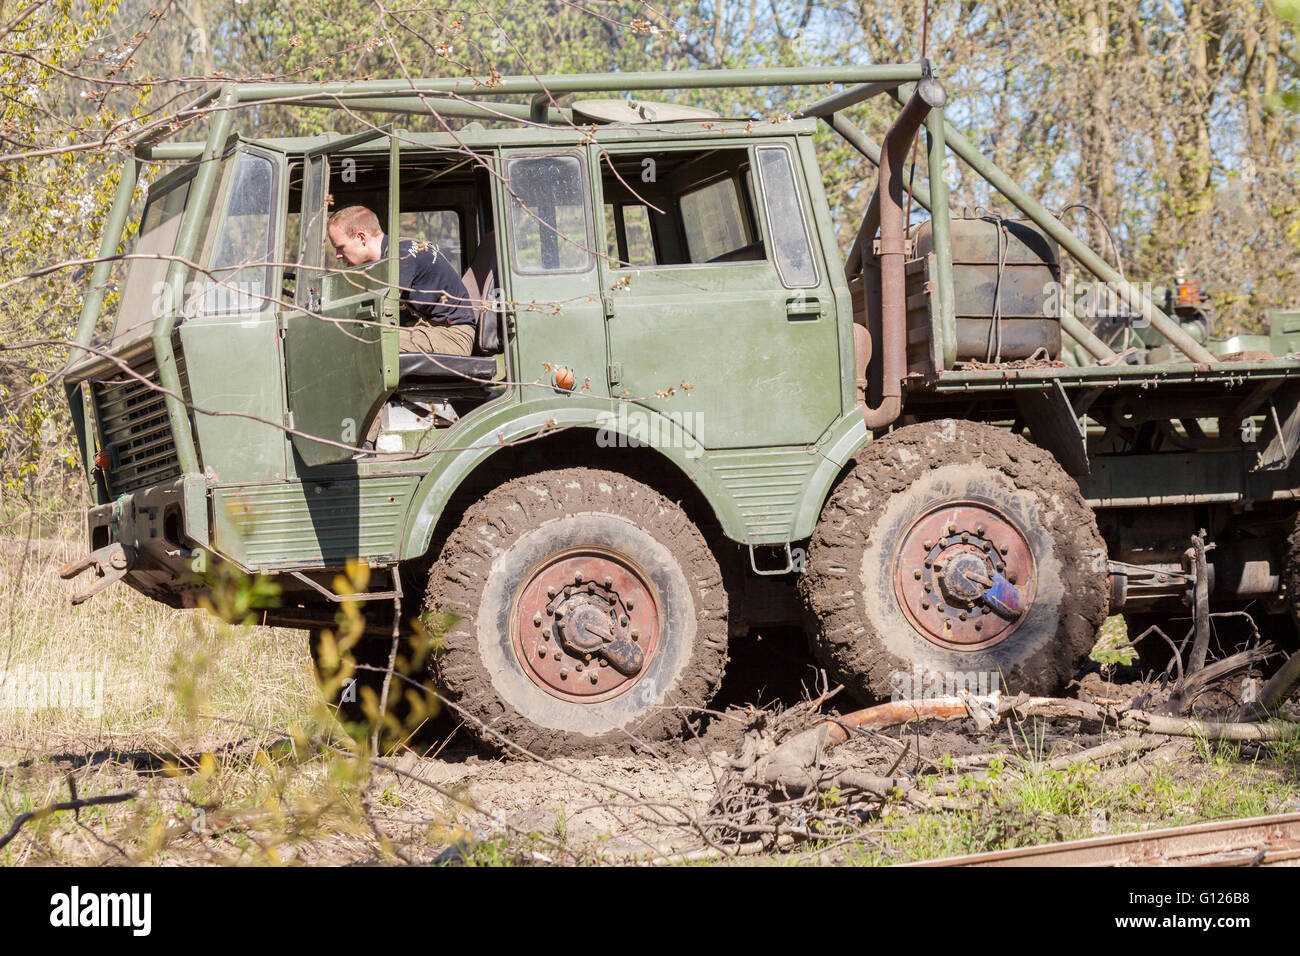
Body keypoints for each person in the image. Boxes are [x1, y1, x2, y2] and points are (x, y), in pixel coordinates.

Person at [326, 204, 476, 356]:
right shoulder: (391, 255)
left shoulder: (401, 256)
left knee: (363, 341)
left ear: (361, 237)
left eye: (340, 247)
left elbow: (384, 309)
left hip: (452, 336)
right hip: (428, 329)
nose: (338, 255)